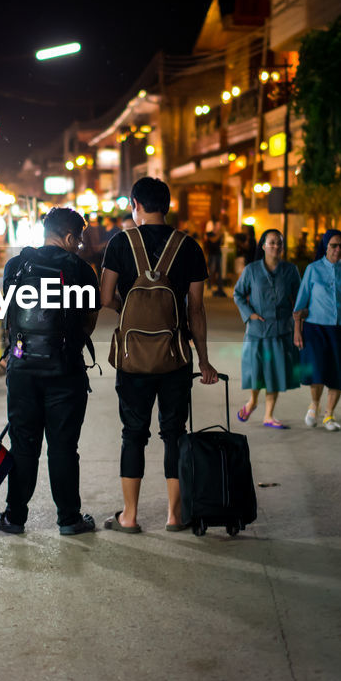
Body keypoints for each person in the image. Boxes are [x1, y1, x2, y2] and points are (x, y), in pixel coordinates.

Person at [100, 176, 218, 533]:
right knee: (174, 433)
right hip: (175, 357)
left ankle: (130, 516)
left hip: (132, 358)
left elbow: (105, 298)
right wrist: (204, 359)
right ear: (167, 205)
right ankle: (174, 515)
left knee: (133, 434)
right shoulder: (190, 247)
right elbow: (196, 309)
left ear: (135, 204)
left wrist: (130, 314)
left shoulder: (120, 243)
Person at [0, 207, 100, 537]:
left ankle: (14, 518)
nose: (79, 246)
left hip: (22, 370)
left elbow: (7, 316)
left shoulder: (16, 264)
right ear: (69, 237)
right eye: (78, 241)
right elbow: (89, 320)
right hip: (64, 371)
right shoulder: (81, 269)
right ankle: (69, 519)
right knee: (63, 446)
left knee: (24, 445)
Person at [293, 230, 341, 432]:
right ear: (325, 247)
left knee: (338, 373)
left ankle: (329, 415)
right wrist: (297, 331)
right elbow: (300, 303)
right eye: (333, 245)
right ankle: (314, 404)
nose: (338, 249)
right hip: (315, 328)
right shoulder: (313, 270)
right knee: (317, 370)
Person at [233, 229, 301, 429]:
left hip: (281, 331)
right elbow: (238, 294)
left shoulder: (290, 270)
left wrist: (298, 326)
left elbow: (299, 300)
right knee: (256, 371)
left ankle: (269, 415)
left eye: (279, 243)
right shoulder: (251, 270)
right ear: (263, 246)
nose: (276, 247)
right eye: (271, 243)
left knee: (275, 373)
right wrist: (249, 314)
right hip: (256, 330)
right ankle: (252, 402)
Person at [204, 219, 226, 297]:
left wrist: (222, 236)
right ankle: (209, 284)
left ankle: (220, 287)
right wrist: (220, 235)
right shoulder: (209, 234)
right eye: (218, 225)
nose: (219, 227)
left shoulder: (221, 234)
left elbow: (222, 243)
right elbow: (213, 241)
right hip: (211, 254)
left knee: (219, 271)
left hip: (218, 254)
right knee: (211, 270)